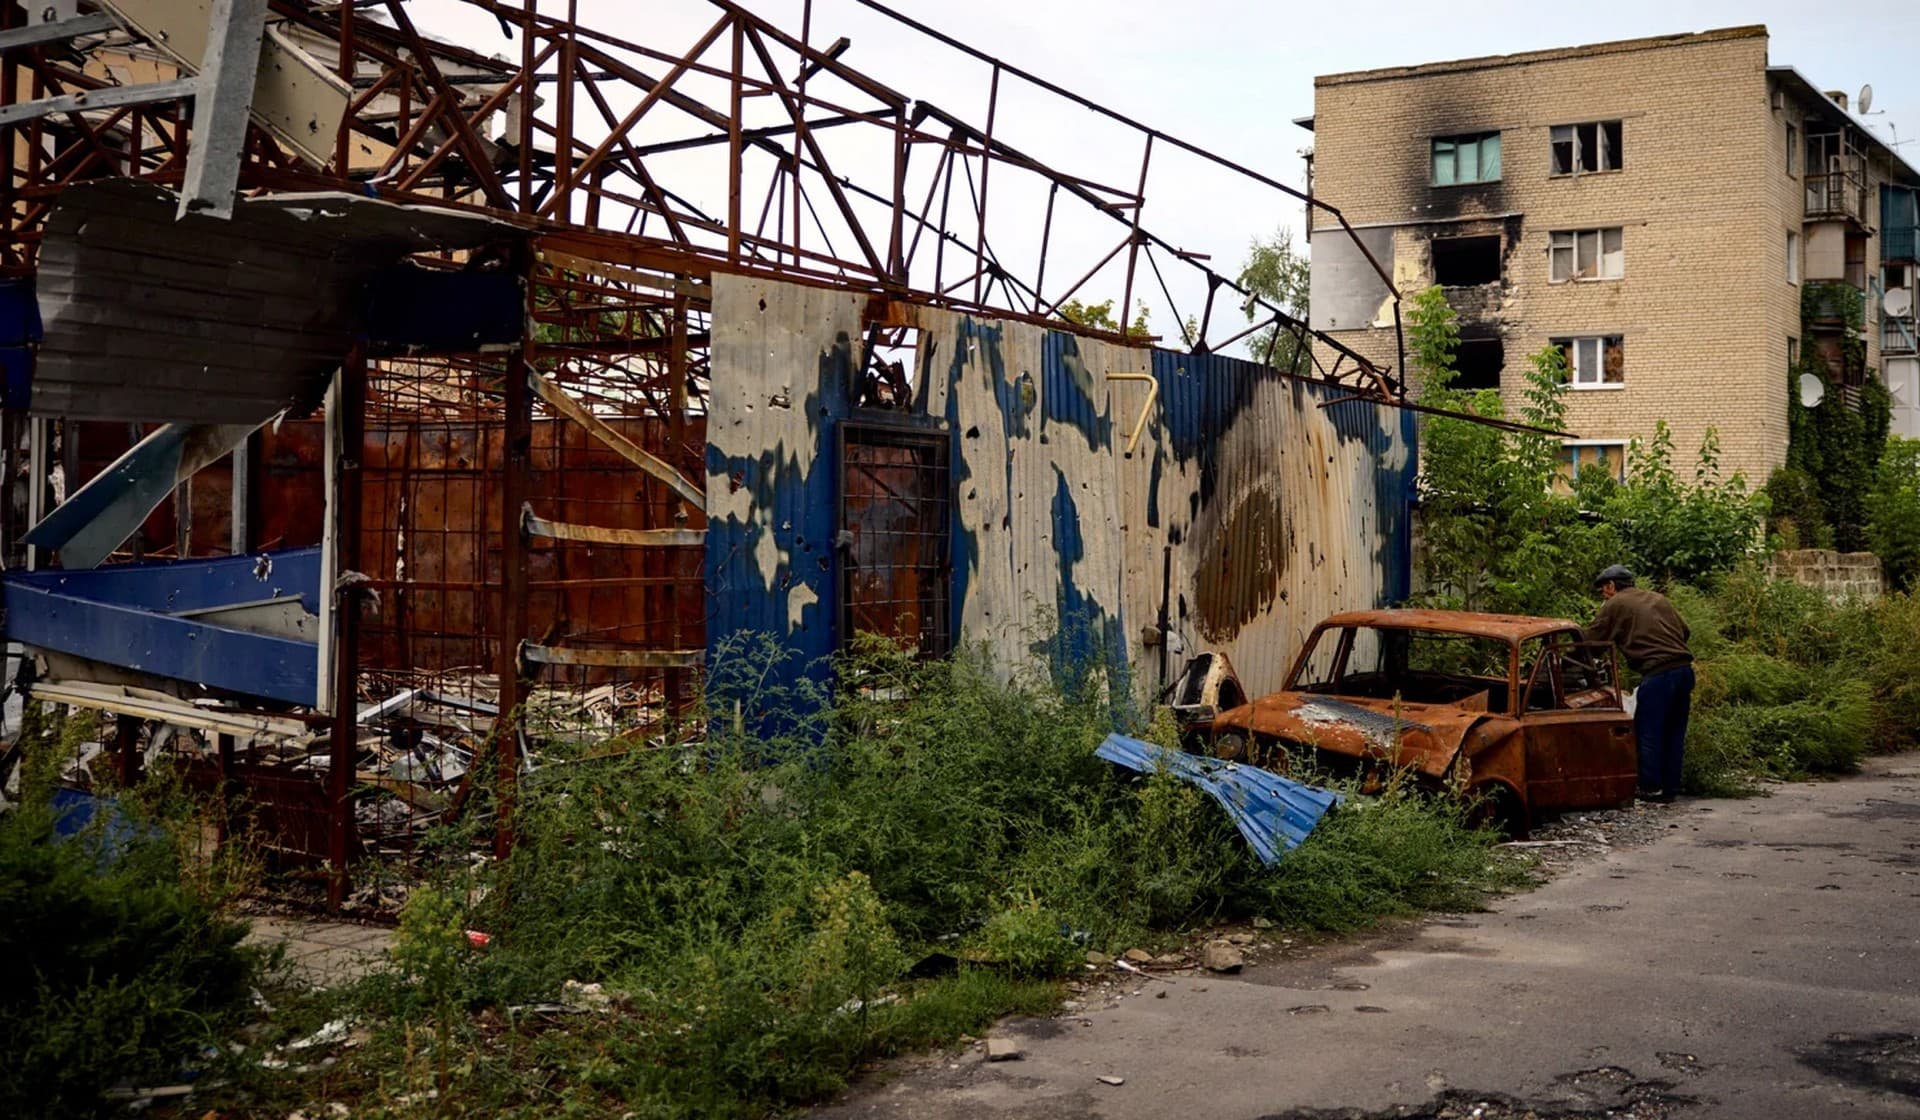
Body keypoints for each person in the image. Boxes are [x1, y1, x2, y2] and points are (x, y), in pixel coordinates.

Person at [1585, 564, 1693, 803]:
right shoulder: (1658, 599)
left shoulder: (1616, 604)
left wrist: (1571, 663)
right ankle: (1670, 788)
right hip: (1684, 670)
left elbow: (1591, 643)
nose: (1603, 595)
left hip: (1658, 674)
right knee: (1674, 732)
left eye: (1603, 589)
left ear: (1611, 585)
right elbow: (1685, 631)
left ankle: (1650, 787)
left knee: (1648, 731)